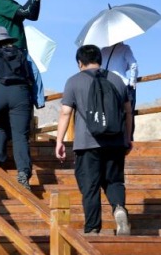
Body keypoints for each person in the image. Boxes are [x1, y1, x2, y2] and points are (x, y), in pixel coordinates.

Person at [54, 44, 132, 235]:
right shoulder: (116, 80)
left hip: (86, 143)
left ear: (80, 63)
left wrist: (59, 141)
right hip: (114, 141)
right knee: (114, 181)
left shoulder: (74, 81)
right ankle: (119, 208)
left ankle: (92, 228)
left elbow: (65, 112)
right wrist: (127, 138)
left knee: (90, 186)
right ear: (100, 59)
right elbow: (128, 111)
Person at [0, 26, 45, 190]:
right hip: (20, 92)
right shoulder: (22, 53)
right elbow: (35, 74)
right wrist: (39, 99)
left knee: (1, 126)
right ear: (8, 39)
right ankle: (22, 174)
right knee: (19, 135)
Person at [101, 41, 139, 126]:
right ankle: (128, 137)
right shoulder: (125, 48)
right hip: (121, 86)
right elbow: (134, 65)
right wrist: (132, 81)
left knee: (111, 117)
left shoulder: (103, 50)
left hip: (105, 87)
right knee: (128, 116)